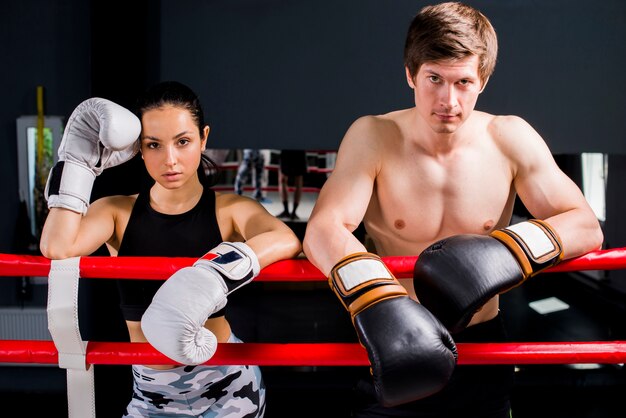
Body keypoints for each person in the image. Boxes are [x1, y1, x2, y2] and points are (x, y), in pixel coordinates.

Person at [303, 2, 603, 417]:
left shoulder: (509, 138)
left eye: (463, 82)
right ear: (410, 74)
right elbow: (324, 228)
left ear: (483, 81)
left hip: (481, 344)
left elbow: (586, 225)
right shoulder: (373, 136)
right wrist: (377, 299)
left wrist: (503, 251)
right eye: (434, 79)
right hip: (394, 339)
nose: (448, 100)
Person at [40, 81, 302, 417]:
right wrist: (77, 164)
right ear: (139, 148)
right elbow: (56, 246)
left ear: (203, 137)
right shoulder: (116, 212)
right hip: (151, 392)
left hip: (227, 383)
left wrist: (208, 276)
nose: (170, 160)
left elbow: (285, 239)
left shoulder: (229, 209)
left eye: (183, 141)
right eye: (154, 145)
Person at [276, 149, 307, 220]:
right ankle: (286, 210)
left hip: (299, 148)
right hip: (287, 148)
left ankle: (293, 212)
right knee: (282, 179)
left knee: (298, 179)